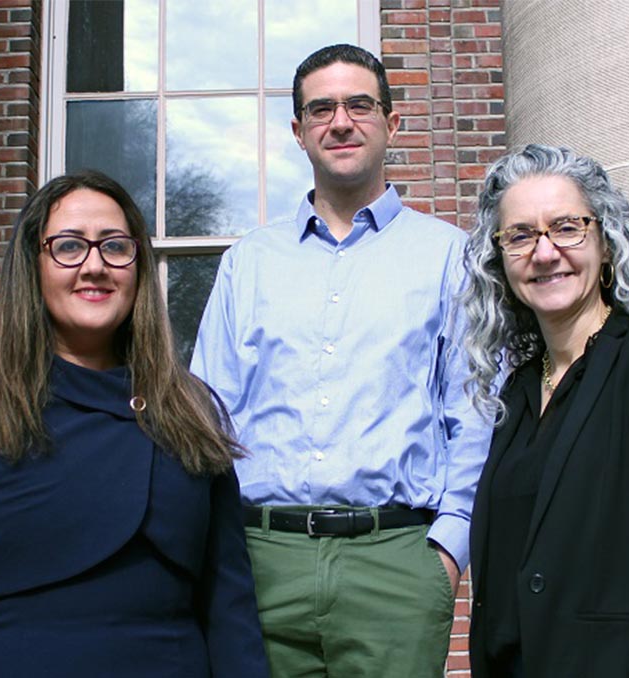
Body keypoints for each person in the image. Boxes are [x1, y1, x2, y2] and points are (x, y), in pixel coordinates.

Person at [0, 170, 269, 678]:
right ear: (33, 265)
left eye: (115, 247)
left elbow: (228, 606)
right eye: (68, 247)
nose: (94, 266)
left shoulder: (189, 410)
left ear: (138, 269)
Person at [190, 44, 494, 678]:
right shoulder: (249, 262)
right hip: (261, 558)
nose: (341, 120)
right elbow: (208, 416)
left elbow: (471, 411)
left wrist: (446, 549)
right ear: (298, 131)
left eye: (360, 104)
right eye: (321, 108)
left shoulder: (449, 256)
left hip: (397, 562)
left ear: (392, 122)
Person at [461, 144, 629, 678]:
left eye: (566, 227)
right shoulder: (515, 392)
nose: (544, 252)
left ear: (606, 241)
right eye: (520, 235)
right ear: (500, 261)